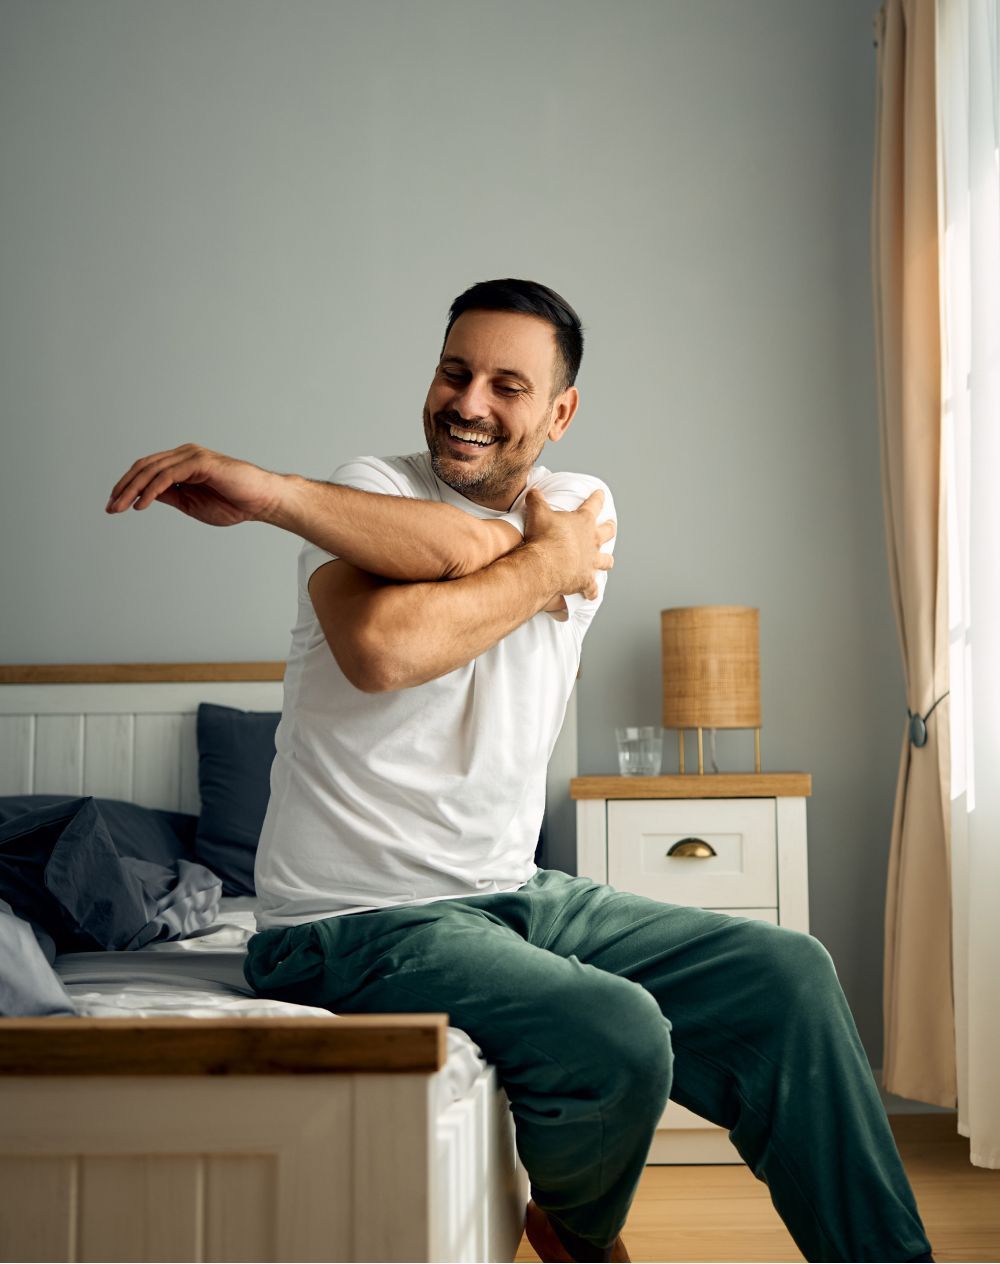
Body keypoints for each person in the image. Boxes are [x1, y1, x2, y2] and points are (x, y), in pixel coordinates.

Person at [106, 278, 934, 1264]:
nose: (469, 403)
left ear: (558, 412)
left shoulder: (583, 502)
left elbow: (489, 566)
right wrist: (534, 560)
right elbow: (387, 651)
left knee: (789, 974)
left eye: (507, 384)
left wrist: (282, 499)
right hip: (343, 923)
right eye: (455, 372)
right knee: (617, 1030)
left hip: (506, 891)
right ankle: (580, 1231)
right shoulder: (364, 487)